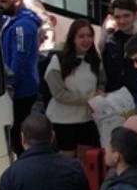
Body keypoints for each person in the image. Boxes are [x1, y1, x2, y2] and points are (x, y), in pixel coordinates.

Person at [0, 0, 45, 155]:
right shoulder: (13, 20)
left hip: (21, 91)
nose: (0, 5)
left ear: (17, 0)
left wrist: (11, 85)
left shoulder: (23, 27)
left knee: (17, 135)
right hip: (18, 88)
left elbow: (20, 60)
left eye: (4, 1)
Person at [44, 18, 104, 150]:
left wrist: (100, 92)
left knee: (87, 159)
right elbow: (59, 93)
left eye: (89, 36)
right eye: (81, 36)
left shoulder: (95, 60)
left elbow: (101, 82)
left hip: (88, 119)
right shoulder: (58, 60)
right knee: (67, 158)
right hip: (63, 120)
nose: (86, 40)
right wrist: (88, 99)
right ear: (72, 38)